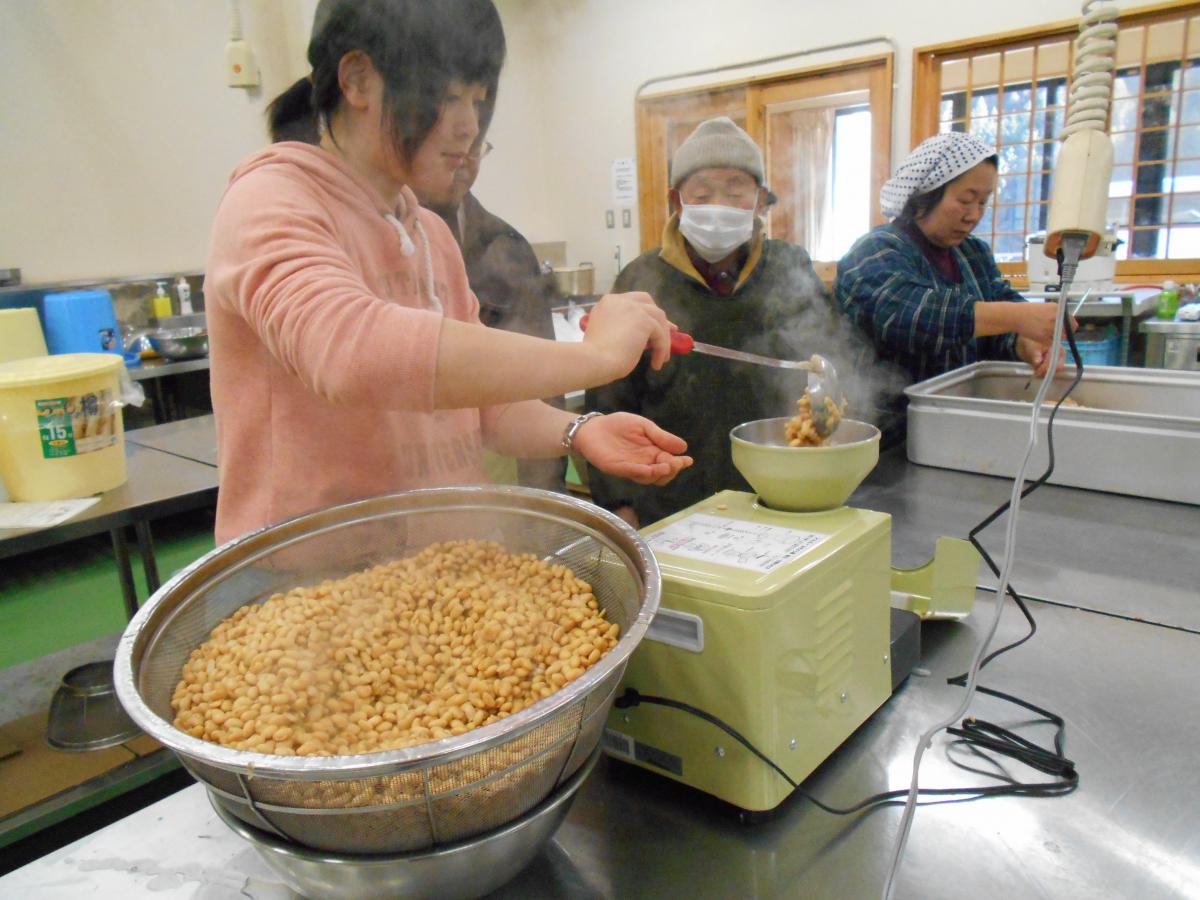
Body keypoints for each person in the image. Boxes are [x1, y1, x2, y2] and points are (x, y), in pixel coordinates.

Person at [204, 0, 690, 543]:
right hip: (307, 580)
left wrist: (578, 429)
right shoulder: (270, 200)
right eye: (448, 95)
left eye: (479, 100)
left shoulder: (429, 232)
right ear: (359, 80)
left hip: (443, 564)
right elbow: (351, 353)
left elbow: (483, 406)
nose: (468, 126)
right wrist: (594, 358)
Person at [585, 117, 828, 528]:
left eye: (736, 192)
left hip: (780, 493)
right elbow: (607, 402)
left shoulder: (791, 269)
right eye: (702, 194)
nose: (719, 206)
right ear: (677, 202)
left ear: (761, 199)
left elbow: (826, 365)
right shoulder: (641, 282)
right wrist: (620, 506)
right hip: (668, 500)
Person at [836, 132, 1067, 388]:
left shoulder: (974, 253)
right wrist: (1017, 316)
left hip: (959, 409)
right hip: (889, 418)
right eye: (965, 200)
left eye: (983, 202)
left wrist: (1024, 343)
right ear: (927, 194)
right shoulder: (875, 249)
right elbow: (908, 315)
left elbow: (998, 312)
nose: (974, 215)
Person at [411, 132, 567, 489]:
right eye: (450, 141)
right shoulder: (380, 240)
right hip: (406, 473)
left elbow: (540, 373)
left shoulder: (505, 244)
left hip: (497, 466)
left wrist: (549, 488)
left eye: (475, 146)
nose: (463, 158)